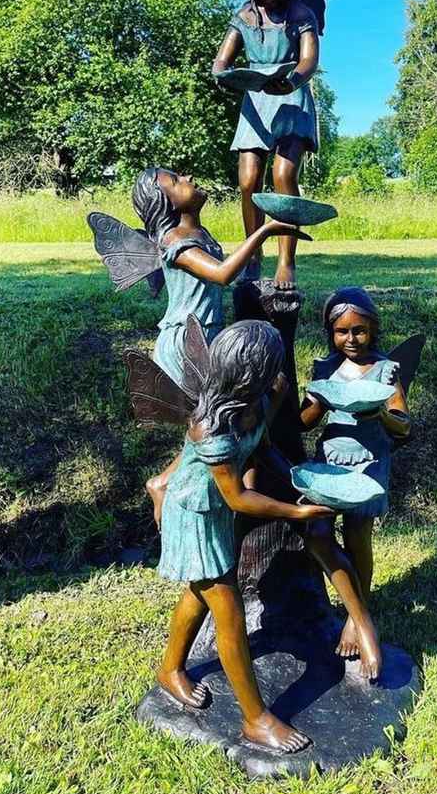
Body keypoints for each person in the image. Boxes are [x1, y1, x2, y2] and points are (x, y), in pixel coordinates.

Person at [156, 320, 335, 752]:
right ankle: (256, 719)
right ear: (249, 370)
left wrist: (297, 478)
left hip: (215, 510)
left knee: (198, 594)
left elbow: (261, 448)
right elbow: (237, 496)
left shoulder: (260, 398)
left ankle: (170, 669)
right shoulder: (210, 426)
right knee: (228, 612)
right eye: (272, 365)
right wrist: (295, 509)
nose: (280, 374)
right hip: (196, 515)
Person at [132, 167, 306, 522]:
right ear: (163, 201)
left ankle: (240, 483)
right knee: (209, 422)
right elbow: (222, 274)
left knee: (229, 413)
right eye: (175, 181)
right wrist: (265, 230)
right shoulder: (173, 241)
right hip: (186, 342)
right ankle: (165, 483)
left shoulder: (200, 233)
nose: (187, 178)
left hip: (209, 336)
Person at [299, 287, 411, 660]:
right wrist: (314, 398)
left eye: (359, 331)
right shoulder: (325, 367)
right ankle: (343, 601)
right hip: (331, 460)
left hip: (368, 461)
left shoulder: (384, 369)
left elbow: (403, 426)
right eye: (342, 332)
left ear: (373, 329)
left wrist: (379, 412)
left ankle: (356, 615)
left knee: (358, 536)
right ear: (330, 332)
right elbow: (305, 422)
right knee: (318, 532)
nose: (351, 339)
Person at [212, 0, 321, 290]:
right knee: (246, 180)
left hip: (290, 100)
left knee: (284, 177)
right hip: (255, 104)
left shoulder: (300, 13)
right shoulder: (242, 18)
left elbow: (308, 61)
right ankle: (253, 254)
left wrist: (291, 81)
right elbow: (220, 63)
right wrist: (228, 76)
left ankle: (286, 260)